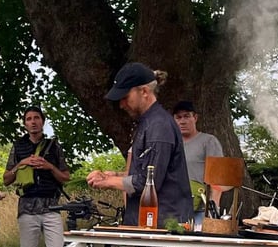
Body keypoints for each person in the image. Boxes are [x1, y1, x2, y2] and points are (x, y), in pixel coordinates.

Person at [87, 62, 192, 226]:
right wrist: (114, 175)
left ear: (144, 91)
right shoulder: (148, 123)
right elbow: (147, 172)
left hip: (163, 226)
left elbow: (149, 182)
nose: (121, 104)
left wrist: (107, 182)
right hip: (151, 222)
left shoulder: (159, 126)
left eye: (125, 97)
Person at [3, 106, 71, 247]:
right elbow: (6, 179)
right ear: (24, 123)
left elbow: (66, 177)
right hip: (27, 207)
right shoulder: (18, 146)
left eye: (36, 118)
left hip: (51, 206)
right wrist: (22, 164)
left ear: (43, 121)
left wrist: (49, 166)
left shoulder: (53, 146)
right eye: (29, 119)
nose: (33, 122)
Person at [173, 100, 223, 228]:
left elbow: (217, 179)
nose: (182, 121)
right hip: (173, 208)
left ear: (195, 117)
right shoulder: (170, 144)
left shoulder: (209, 141)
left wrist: (213, 210)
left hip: (200, 211)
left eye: (186, 116)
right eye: (178, 117)